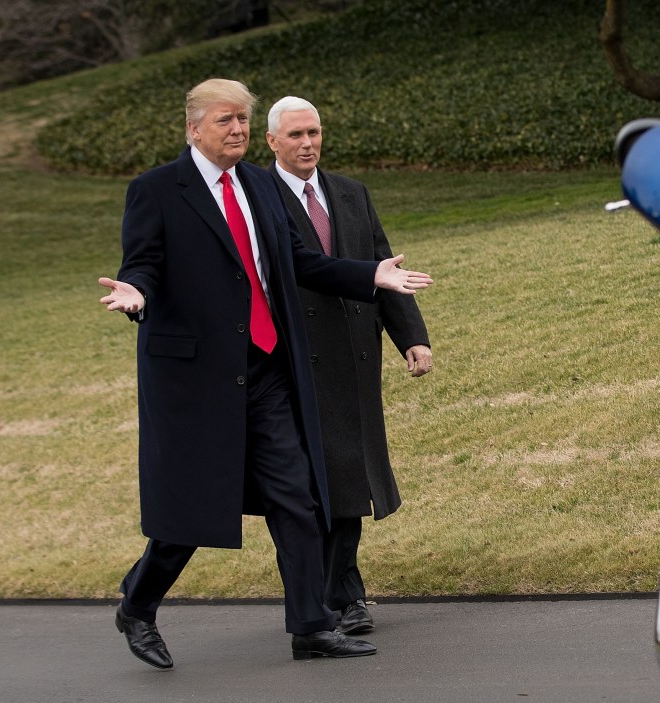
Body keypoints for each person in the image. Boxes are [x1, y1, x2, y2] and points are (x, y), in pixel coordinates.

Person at [96, 78, 434, 669]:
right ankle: (138, 605)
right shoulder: (157, 189)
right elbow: (143, 263)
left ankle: (312, 627)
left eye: (243, 120)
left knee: (296, 497)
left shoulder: (257, 184)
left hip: (266, 368)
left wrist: (369, 276)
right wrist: (137, 295)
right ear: (194, 129)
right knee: (191, 512)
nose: (238, 130)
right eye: (224, 120)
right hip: (198, 380)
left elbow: (297, 260)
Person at [264, 95, 432, 636]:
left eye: (313, 132)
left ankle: (343, 595)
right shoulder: (258, 197)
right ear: (272, 141)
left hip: (353, 357)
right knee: (308, 489)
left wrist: (411, 337)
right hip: (292, 363)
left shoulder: (351, 193)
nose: (307, 143)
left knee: (351, 481)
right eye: (295, 135)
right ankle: (322, 598)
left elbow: (383, 264)